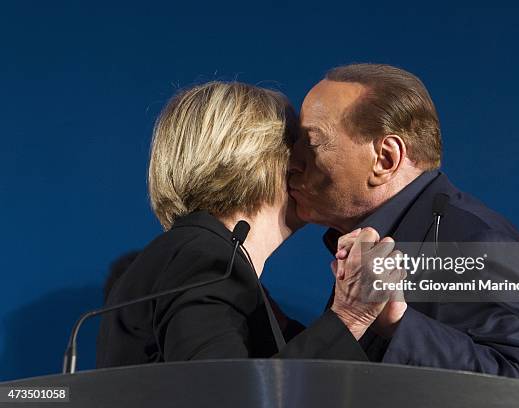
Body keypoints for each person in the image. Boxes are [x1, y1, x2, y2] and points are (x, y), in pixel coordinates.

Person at [288, 63, 519, 383]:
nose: (293, 161)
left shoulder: (475, 242)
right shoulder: (373, 238)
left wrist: (397, 323)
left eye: (312, 142)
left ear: (385, 159)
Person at [96, 82, 404, 367]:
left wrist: (378, 322)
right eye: (297, 145)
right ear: (255, 157)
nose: (305, 165)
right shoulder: (203, 260)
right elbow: (224, 398)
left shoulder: (208, 260)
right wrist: (350, 315)